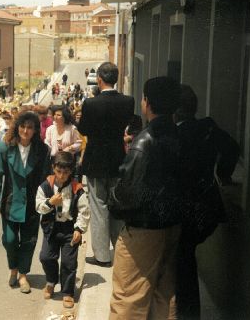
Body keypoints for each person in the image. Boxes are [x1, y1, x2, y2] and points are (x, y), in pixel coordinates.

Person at [108, 76, 183, 319]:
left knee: (129, 300)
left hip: (142, 231)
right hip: (172, 226)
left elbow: (124, 195)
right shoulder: (180, 135)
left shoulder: (143, 142)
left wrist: (113, 198)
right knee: (165, 297)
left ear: (147, 102)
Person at [173, 84, 235, 320]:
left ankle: (187, 314)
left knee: (183, 263)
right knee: (185, 259)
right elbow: (232, 148)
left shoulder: (174, 134)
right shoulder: (207, 127)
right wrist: (224, 173)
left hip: (185, 210)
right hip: (207, 208)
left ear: (175, 111)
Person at [77, 62, 134, 267]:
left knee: (99, 206)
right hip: (118, 158)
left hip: (95, 160)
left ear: (99, 79)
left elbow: (84, 130)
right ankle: (120, 251)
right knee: (116, 205)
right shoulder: (128, 101)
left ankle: (101, 255)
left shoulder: (91, 104)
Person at [0, 111, 51, 294]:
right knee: (9, 240)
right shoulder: (3, 147)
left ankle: (23, 274)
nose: (25, 130)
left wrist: (47, 202)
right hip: (10, 201)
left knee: (28, 241)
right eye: (22, 126)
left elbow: (46, 178)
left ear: (35, 130)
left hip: (32, 203)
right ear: (17, 127)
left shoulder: (43, 150)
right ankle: (13, 269)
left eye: (30, 127)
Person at [36, 151, 89, 309]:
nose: (62, 176)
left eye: (66, 172)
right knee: (46, 257)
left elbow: (84, 211)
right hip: (51, 228)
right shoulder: (46, 186)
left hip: (69, 229)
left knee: (69, 262)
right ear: (53, 168)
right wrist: (50, 203)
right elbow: (39, 207)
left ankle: (67, 292)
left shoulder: (76, 189)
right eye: (59, 171)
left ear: (71, 171)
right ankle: (51, 281)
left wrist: (79, 229)